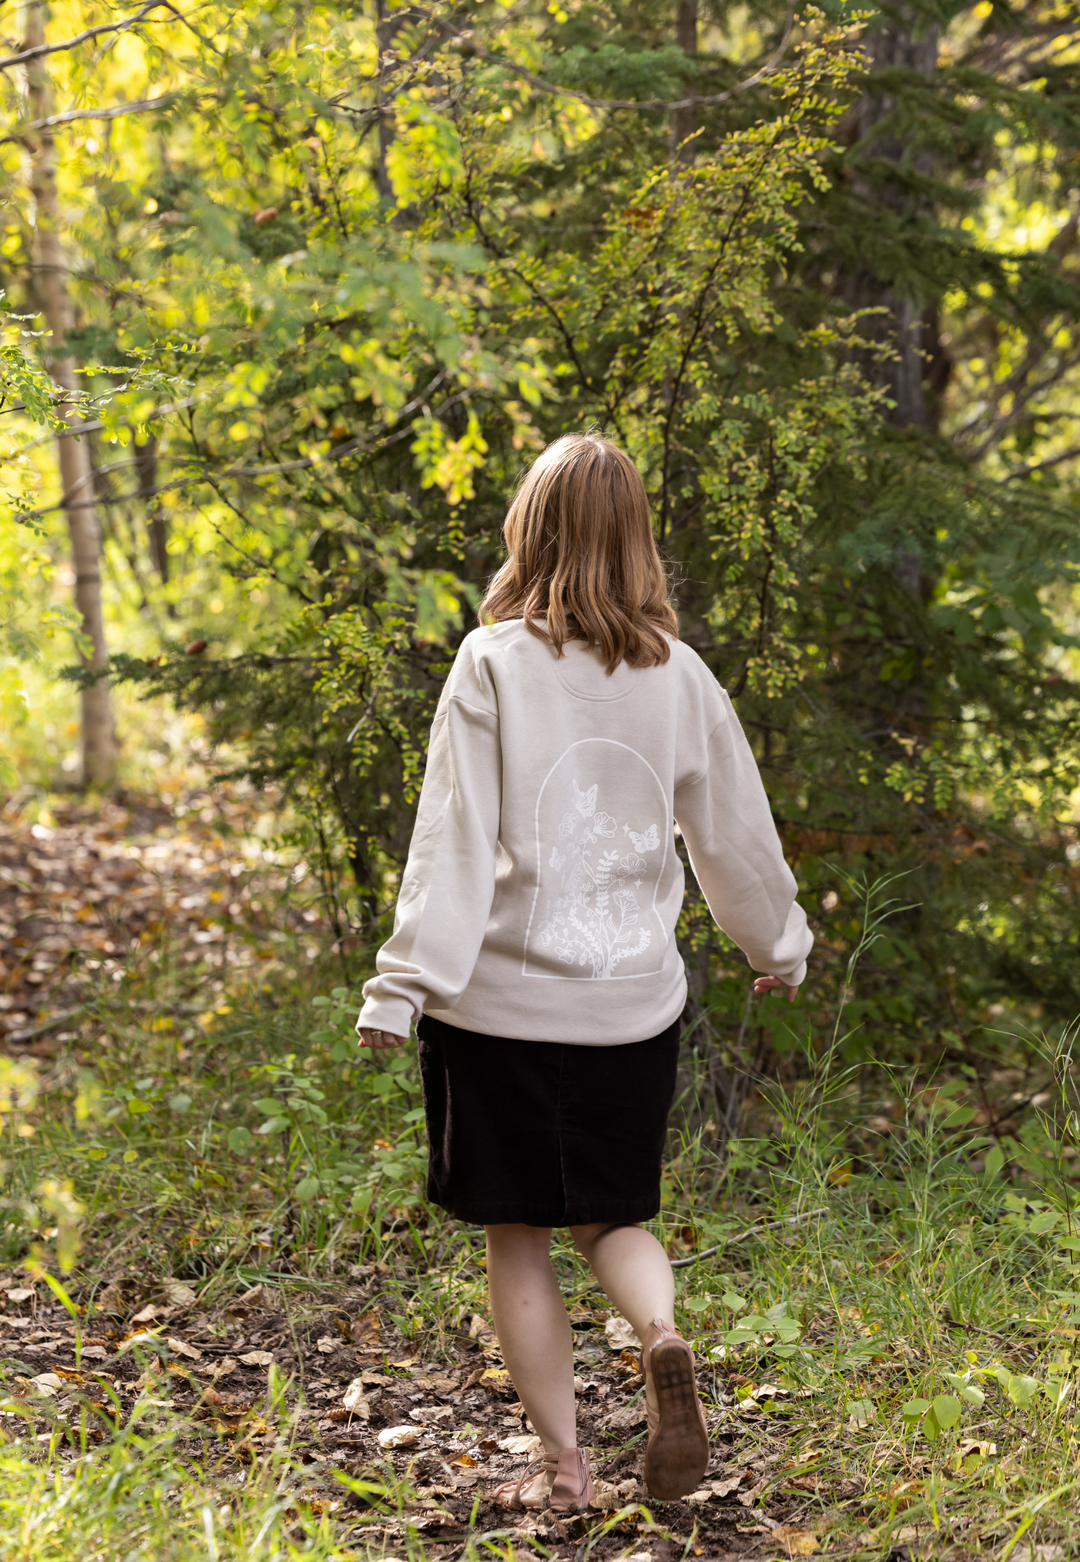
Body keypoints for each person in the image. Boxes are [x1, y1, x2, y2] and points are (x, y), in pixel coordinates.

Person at [356, 433, 812, 1513]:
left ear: (531, 530)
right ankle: (661, 1332)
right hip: (629, 1012)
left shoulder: (493, 663)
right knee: (614, 1216)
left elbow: (453, 841)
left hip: (498, 1009)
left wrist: (401, 983)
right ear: (636, 542)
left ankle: (563, 1468)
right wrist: (777, 942)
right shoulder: (680, 675)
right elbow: (734, 837)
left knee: (519, 1233)